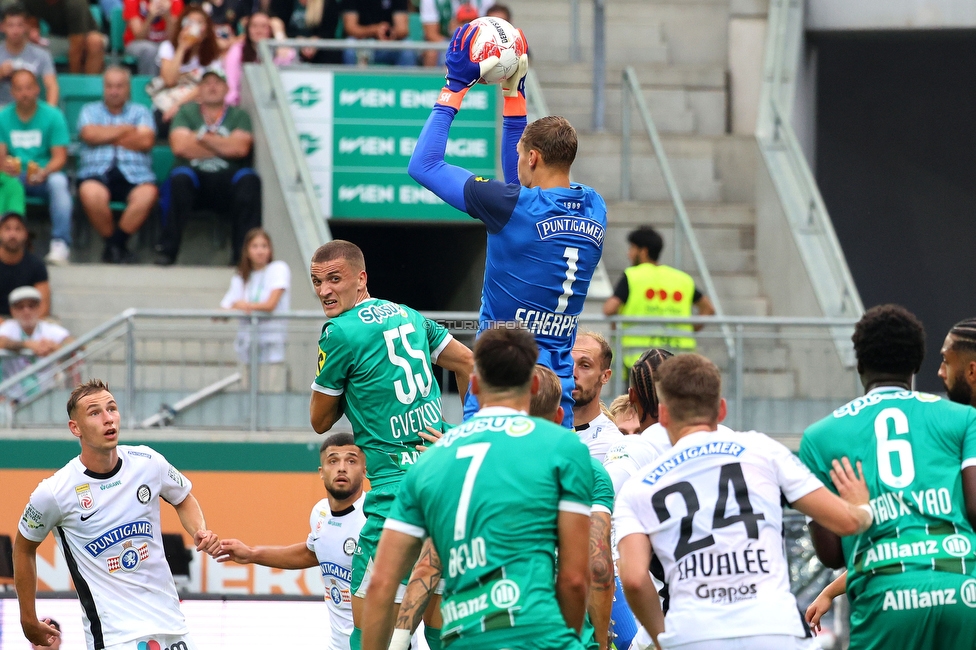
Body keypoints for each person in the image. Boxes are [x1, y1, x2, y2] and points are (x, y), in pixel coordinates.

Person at [409, 24, 604, 429]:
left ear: (532, 158)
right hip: (556, 392)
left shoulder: (513, 206)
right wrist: (513, 95)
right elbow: (520, 187)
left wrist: (454, 88)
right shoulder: (594, 206)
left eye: (519, 155)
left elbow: (423, 165)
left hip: (502, 384)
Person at [614, 353, 874, 650]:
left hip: (693, 635)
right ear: (721, 409)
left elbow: (633, 579)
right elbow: (848, 522)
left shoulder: (640, 484)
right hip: (773, 630)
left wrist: (662, 638)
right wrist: (862, 507)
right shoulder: (762, 450)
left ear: (662, 416)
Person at [360, 326, 593, 650]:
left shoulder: (429, 461)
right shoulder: (563, 446)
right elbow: (574, 579)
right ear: (535, 383)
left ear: (473, 385)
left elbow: (382, 585)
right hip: (541, 635)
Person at [308, 239, 474, 650]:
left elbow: (319, 420)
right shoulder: (409, 315)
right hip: (445, 482)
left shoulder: (340, 332)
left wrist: (349, 387)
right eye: (316, 282)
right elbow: (469, 363)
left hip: (396, 495)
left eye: (334, 279)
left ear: (361, 278)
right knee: (440, 621)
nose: (325, 290)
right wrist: (465, 430)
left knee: (367, 631)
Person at [798, 305, 976, 650]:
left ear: (860, 364)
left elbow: (831, 554)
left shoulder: (819, 438)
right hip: (962, 589)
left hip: (886, 597)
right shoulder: (963, 418)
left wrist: (859, 513)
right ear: (916, 365)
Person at [13, 379, 220, 650]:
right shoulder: (54, 492)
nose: (108, 419)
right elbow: (23, 547)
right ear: (75, 428)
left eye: (112, 408)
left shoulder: (148, 462)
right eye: (95, 413)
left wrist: (199, 530)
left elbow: (183, 498)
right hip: (115, 638)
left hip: (173, 629)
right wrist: (27, 618)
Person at [215, 433, 366, 650]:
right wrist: (251, 554)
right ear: (321, 473)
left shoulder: (376, 516)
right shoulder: (320, 512)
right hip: (339, 645)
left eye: (351, 460)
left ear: (364, 470)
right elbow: (312, 553)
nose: (342, 468)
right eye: (333, 461)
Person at [532, 364, 615, 650]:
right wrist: (602, 643)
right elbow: (598, 567)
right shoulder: (588, 469)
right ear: (559, 416)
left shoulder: (472, 462)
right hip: (567, 636)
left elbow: (432, 564)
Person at [158, 67, 261, 265]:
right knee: (179, 178)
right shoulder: (186, 113)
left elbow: (240, 149)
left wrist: (199, 138)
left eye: (217, 83)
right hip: (194, 180)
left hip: (227, 180)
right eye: (206, 83)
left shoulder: (239, 115)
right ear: (199, 89)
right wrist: (224, 143)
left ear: (227, 88)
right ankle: (167, 251)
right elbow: (180, 147)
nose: (212, 87)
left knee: (249, 179)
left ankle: (242, 256)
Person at [603, 225, 716, 369]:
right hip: (678, 358)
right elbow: (708, 308)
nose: (628, 254)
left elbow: (609, 308)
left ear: (643, 251)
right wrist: (689, 328)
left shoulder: (633, 275)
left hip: (639, 358)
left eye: (632, 248)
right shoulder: (681, 278)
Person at [77, 66, 158, 264]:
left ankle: (114, 245)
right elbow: (89, 135)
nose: (114, 91)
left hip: (136, 174)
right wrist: (126, 130)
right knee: (90, 192)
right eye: (110, 86)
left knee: (148, 194)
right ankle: (117, 247)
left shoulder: (141, 111)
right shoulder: (89, 110)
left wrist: (105, 135)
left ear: (128, 89)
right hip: (97, 172)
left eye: (119, 86)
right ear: (104, 88)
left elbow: (145, 142)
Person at [0, 69, 71, 265]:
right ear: (12, 93)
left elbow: (60, 157)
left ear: (37, 89)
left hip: (45, 173)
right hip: (15, 175)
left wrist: (45, 171)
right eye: (19, 89)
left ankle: (60, 244)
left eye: (29, 88)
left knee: (59, 183)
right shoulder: (3, 117)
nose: (24, 93)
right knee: (5, 184)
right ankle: (8, 241)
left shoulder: (53, 115)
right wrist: (5, 166)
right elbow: (1, 156)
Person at [219, 228, 290, 367]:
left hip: (271, 346)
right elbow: (223, 311)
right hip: (247, 347)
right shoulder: (241, 276)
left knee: (271, 386)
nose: (260, 251)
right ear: (247, 250)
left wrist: (242, 306)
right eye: (255, 246)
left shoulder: (278, 269)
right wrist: (235, 307)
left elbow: (270, 305)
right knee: (246, 387)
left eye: (264, 246)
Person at [152, 4, 221, 131]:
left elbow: (205, 87)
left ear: (206, 31)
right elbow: (169, 81)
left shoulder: (213, 57)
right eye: (189, 22)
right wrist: (182, 48)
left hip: (194, 106)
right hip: (168, 103)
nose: (194, 26)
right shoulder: (168, 47)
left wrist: (178, 106)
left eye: (199, 23)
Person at [0, 285, 71, 398]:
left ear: (39, 308)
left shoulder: (49, 328)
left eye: (31, 306)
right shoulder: (8, 327)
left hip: (46, 397)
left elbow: (76, 344)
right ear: (12, 310)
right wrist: (27, 345)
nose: (26, 311)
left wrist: (55, 347)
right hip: (13, 399)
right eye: (20, 307)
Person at [223, 10, 295, 107]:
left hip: (274, 102)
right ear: (248, 29)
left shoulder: (277, 50)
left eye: (264, 26)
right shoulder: (238, 50)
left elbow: (288, 57)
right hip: (244, 102)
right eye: (254, 26)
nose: (258, 30)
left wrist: (278, 33)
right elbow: (231, 84)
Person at [572, 330, 624, 461]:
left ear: (605, 376)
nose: (573, 373)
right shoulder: (537, 425)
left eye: (585, 365)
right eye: (567, 363)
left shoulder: (610, 442)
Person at [21, 0, 103, 73]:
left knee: (94, 41)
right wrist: (33, 33)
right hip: (57, 37)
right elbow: (32, 22)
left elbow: (76, 46)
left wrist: (73, 80)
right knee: (27, 44)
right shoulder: (31, 2)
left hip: (85, 36)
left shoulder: (76, 3)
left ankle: (87, 86)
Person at [0, 4, 57, 107]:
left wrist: (50, 113)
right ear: (2, 27)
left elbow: (52, 86)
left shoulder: (42, 55)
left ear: (26, 27)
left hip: (32, 110)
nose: (15, 31)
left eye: (20, 25)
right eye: (10, 25)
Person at [0, 212, 48, 319]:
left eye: (18, 229)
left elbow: (43, 307)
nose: (12, 234)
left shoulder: (36, 265)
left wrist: (24, 327)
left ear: (26, 234)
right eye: (7, 229)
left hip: (27, 322)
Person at [418, 0, 490, 67]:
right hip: (445, 40)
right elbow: (431, 34)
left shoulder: (484, 1)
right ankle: (440, 79)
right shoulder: (431, 1)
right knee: (437, 53)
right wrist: (455, 42)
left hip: (477, 40)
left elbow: (490, 28)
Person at [342, 0, 413, 67]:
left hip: (389, 44)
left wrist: (390, 33)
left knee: (407, 49)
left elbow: (402, 29)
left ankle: (408, 80)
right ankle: (353, 79)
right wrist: (375, 30)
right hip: (362, 42)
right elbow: (350, 28)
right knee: (350, 46)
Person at [124, 0, 184, 76]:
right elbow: (139, 37)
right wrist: (150, 16)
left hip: (164, 43)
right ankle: (150, 83)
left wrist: (167, 16)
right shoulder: (132, 1)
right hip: (136, 44)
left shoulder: (175, 2)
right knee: (150, 50)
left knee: (171, 48)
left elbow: (173, 38)